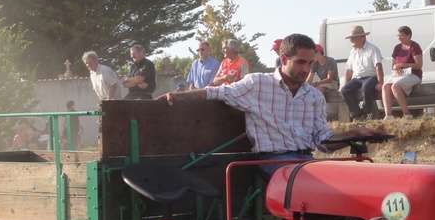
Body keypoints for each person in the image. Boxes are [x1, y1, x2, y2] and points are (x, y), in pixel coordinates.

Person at [158, 33, 378, 178]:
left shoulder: (314, 96)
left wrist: (355, 133)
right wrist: (177, 97)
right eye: (301, 62)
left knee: (350, 178)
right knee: (314, 182)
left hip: (305, 161)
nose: (307, 69)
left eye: (310, 63)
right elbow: (215, 92)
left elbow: (323, 141)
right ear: (283, 59)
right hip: (273, 161)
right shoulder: (258, 83)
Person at [340, 25, 384, 120]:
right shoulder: (353, 52)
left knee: (366, 87)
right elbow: (348, 69)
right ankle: (356, 114)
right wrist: (346, 84)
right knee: (345, 90)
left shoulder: (372, 48)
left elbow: (378, 66)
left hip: (371, 77)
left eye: (352, 38)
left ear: (361, 37)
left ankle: (366, 110)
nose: (351, 40)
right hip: (357, 78)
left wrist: (380, 83)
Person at [383, 26, 422, 121]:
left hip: (413, 75)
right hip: (399, 75)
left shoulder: (415, 46)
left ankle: (407, 114)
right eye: (398, 36)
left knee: (395, 86)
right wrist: (396, 68)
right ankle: (388, 115)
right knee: (385, 86)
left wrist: (402, 65)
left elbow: (419, 65)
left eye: (401, 35)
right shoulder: (397, 47)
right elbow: (394, 65)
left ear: (408, 35)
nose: (399, 38)